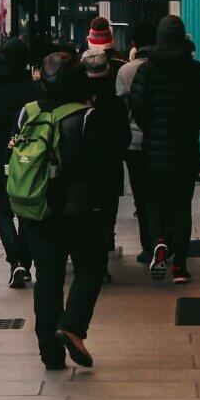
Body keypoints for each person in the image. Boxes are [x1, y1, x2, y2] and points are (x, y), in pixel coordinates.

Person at [20, 52, 116, 370]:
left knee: (47, 278)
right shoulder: (88, 117)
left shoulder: (28, 113)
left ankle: (49, 353)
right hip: (78, 211)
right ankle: (72, 326)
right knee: (90, 267)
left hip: (37, 210)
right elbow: (103, 168)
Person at [129, 15, 200, 284]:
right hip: (185, 150)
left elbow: (138, 107)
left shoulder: (146, 70)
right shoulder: (195, 70)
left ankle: (159, 242)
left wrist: (152, 127)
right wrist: (192, 124)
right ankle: (180, 265)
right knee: (181, 205)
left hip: (153, 150)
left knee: (153, 202)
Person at [0, 37, 42, 288]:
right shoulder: (35, 91)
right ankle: (24, 262)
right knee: (26, 211)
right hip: (28, 158)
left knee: (3, 212)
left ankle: (14, 260)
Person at [81, 48, 132, 281]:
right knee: (106, 215)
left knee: (84, 215)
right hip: (109, 167)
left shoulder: (76, 101)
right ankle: (101, 265)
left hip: (82, 168)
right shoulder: (115, 102)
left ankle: (86, 259)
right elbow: (125, 137)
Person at [115, 21, 156, 264]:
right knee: (164, 193)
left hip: (135, 142)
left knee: (141, 197)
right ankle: (168, 239)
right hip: (166, 140)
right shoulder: (164, 67)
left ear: (134, 44)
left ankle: (149, 246)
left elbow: (122, 109)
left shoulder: (126, 71)